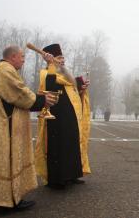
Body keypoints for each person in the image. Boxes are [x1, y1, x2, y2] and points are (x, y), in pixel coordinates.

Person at [0, 45, 56, 210]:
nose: (23, 60)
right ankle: (7, 202)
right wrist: (42, 100)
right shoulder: (5, 71)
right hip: (4, 126)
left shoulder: (3, 69)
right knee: (7, 161)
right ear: (13, 57)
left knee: (3, 162)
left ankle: (5, 199)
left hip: (3, 123)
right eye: (22, 57)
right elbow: (19, 93)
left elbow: (18, 93)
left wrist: (38, 97)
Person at [35, 44, 91, 189]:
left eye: (63, 58)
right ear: (51, 59)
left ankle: (72, 175)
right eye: (59, 58)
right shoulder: (46, 73)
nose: (62, 61)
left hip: (70, 118)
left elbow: (71, 93)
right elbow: (51, 88)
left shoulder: (65, 75)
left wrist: (81, 89)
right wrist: (51, 65)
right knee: (59, 147)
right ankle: (58, 179)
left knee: (72, 146)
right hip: (57, 118)